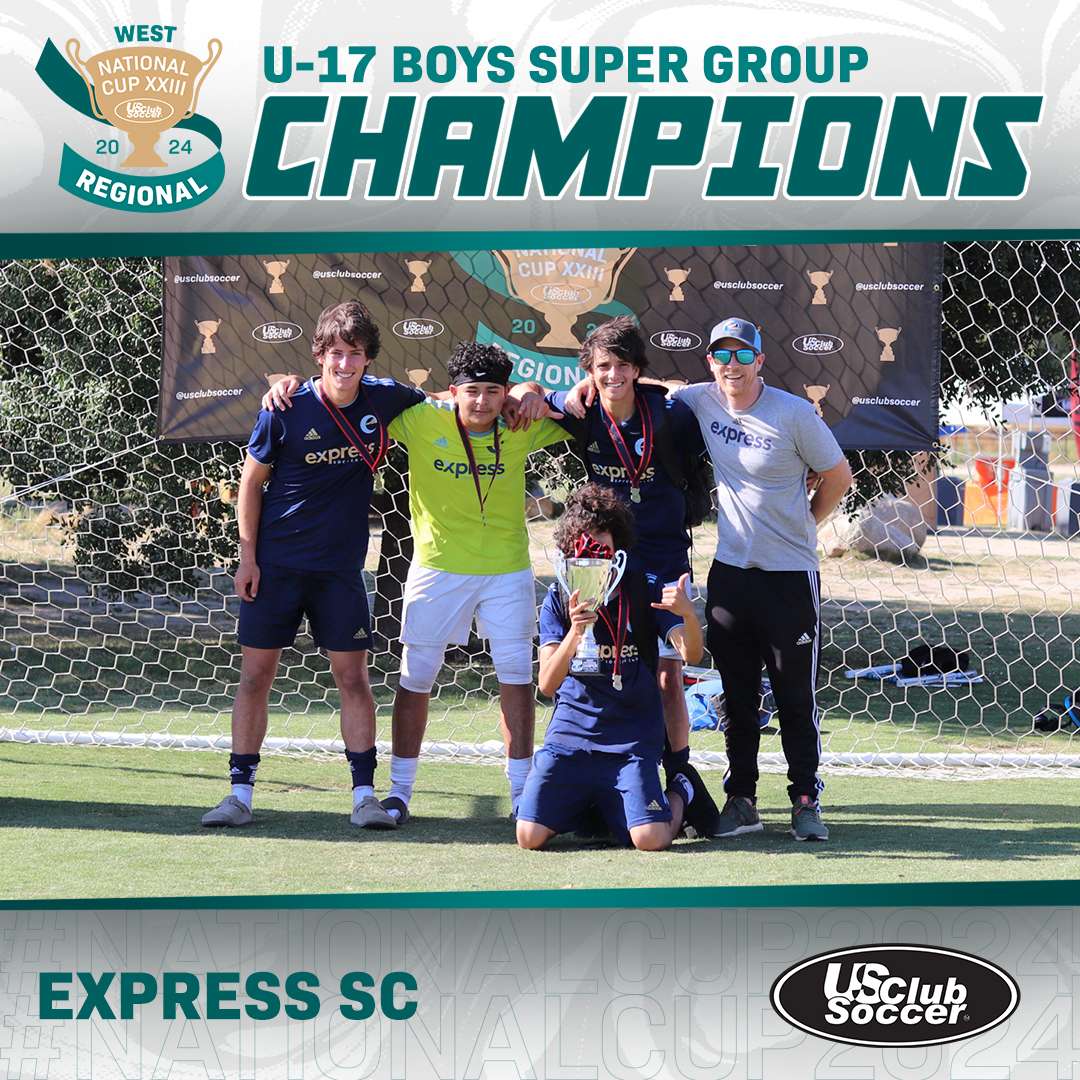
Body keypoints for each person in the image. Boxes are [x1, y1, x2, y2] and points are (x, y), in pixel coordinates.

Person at [564, 316, 853, 841]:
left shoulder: (793, 412)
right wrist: (587, 383)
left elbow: (838, 476)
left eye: (743, 355)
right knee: (736, 697)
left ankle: (806, 800)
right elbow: (647, 386)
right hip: (731, 574)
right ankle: (741, 799)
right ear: (710, 362)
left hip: (790, 575)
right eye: (722, 354)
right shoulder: (700, 400)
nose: (732, 365)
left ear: (760, 360)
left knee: (794, 697)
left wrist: (806, 523)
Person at [201, 301, 426, 830]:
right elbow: (250, 484)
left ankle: (365, 797)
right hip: (276, 566)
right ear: (320, 355)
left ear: (368, 359)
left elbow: (446, 400)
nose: (345, 364)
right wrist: (248, 558)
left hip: (339, 572)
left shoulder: (386, 398)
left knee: (354, 679)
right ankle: (239, 796)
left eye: (355, 354)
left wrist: (529, 395)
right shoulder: (284, 407)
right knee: (255, 676)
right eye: (336, 353)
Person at [376, 343, 569, 824]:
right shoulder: (421, 418)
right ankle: (399, 793)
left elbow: (586, 401)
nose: (481, 402)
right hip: (436, 569)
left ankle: (522, 794)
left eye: (492, 391)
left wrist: (532, 391)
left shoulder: (520, 423)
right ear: (453, 391)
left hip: (506, 570)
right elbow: (356, 394)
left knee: (516, 677)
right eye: (472, 391)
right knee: (415, 678)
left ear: (504, 393)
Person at [529, 316, 711, 797]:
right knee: (601, 659)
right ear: (589, 371)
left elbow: (710, 414)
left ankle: (679, 774)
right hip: (605, 559)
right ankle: (605, 763)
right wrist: (533, 391)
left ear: (638, 368)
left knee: (670, 675)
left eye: (624, 365)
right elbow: (528, 395)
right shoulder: (581, 409)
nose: (614, 375)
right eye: (603, 366)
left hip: (664, 555)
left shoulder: (670, 414)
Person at [516, 483, 717, 851]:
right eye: (584, 540)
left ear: (617, 544)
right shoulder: (558, 598)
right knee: (528, 836)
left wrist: (688, 615)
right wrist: (576, 632)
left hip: (631, 737)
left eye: (601, 539)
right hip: (571, 737)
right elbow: (547, 684)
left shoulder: (642, 587)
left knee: (650, 840)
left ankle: (682, 789)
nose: (593, 549)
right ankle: (592, 807)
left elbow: (691, 655)